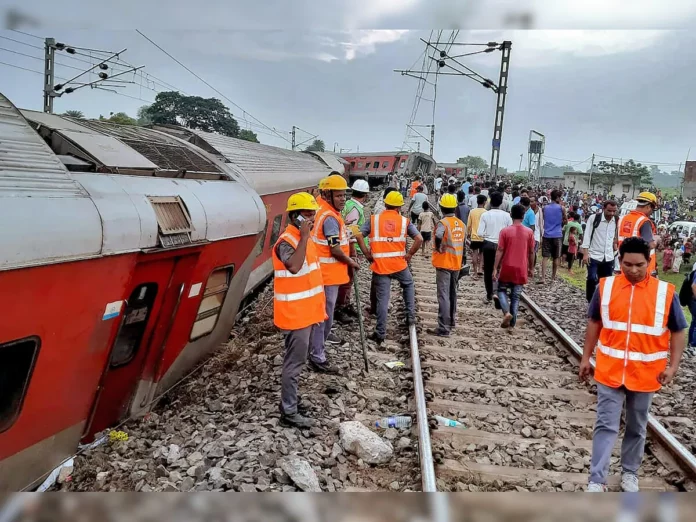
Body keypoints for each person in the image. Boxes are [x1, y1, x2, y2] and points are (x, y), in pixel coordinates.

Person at [580, 237, 686, 492]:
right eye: (628, 264)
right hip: (610, 371)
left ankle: (630, 472)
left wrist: (673, 366)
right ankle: (597, 479)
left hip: (646, 374)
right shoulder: (605, 288)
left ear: (649, 261)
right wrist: (586, 357)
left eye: (639, 265)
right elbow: (594, 322)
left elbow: (679, 330)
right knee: (605, 424)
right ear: (620, 261)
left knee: (637, 426)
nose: (634, 270)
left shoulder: (664, 293)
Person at [273, 192, 327, 428]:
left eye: (313, 213)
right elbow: (294, 267)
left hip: (306, 312)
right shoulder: (287, 241)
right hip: (294, 315)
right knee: (293, 364)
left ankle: (290, 402)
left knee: (297, 361)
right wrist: (304, 237)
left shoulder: (303, 238)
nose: (312, 218)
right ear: (295, 217)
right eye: (307, 214)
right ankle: (289, 412)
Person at [356, 191, 423, 344]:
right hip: (399, 265)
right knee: (408, 284)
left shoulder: (374, 220)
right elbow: (419, 239)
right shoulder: (404, 222)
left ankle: (380, 333)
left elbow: (359, 236)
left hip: (381, 266)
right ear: (399, 207)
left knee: (383, 300)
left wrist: (367, 253)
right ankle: (410, 316)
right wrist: (410, 254)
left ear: (385, 205)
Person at [310, 175, 360, 373]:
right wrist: (351, 262)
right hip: (327, 276)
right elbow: (334, 249)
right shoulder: (329, 217)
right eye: (338, 195)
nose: (343, 199)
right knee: (324, 316)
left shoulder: (324, 210)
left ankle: (317, 347)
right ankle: (317, 355)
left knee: (323, 315)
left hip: (325, 274)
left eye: (344, 195)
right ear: (327, 195)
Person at [429, 194, 466, 337]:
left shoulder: (442, 223)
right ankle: (451, 321)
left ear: (442, 207)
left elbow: (438, 235)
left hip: (444, 263)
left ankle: (443, 327)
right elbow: (463, 244)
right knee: (452, 293)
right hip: (456, 263)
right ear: (455, 208)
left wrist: (438, 247)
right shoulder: (461, 224)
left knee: (443, 295)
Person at [493, 204, 535, 330]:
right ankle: (512, 324)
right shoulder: (529, 232)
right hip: (521, 268)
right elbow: (532, 252)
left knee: (501, 290)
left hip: (507, 267)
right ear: (523, 217)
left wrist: (495, 268)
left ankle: (506, 313)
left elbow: (500, 250)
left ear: (511, 215)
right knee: (516, 297)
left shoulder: (505, 231)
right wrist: (531, 268)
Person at [335, 179, 370, 325]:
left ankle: (344, 304)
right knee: (347, 281)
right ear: (366, 195)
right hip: (352, 248)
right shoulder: (356, 208)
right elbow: (351, 232)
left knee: (347, 280)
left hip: (349, 247)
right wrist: (359, 252)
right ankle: (340, 307)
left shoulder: (349, 204)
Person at [478, 191, 513, 302]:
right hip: (502, 245)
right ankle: (499, 292)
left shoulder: (485, 214)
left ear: (490, 202)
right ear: (501, 202)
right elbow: (510, 232)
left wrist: (488, 235)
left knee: (488, 270)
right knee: (500, 269)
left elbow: (479, 233)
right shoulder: (507, 216)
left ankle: (489, 294)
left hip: (488, 244)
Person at [581, 201, 619, 302]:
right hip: (593, 255)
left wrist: (615, 245)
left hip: (608, 256)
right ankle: (590, 301)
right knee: (592, 278)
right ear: (603, 208)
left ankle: (601, 303)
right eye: (609, 211)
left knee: (605, 282)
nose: (611, 213)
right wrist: (585, 253)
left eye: (614, 211)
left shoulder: (616, 220)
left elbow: (615, 236)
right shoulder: (594, 218)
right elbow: (587, 235)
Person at [616, 192, 657, 275]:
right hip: (640, 268)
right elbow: (650, 245)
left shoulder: (622, 219)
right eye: (652, 210)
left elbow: (616, 241)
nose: (651, 213)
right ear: (648, 206)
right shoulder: (644, 221)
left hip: (625, 265)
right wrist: (656, 241)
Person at [541, 189, 565, 283]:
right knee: (556, 257)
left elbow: (543, 219)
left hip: (546, 234)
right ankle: (553, 278)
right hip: (557, 234)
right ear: (558, 197)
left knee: (545, 257)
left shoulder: (545, 208)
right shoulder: (561, 208)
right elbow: (565, 220)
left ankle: (543, 278)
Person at [467, 194, 487, 277]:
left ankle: (475, 272)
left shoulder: (472, 211)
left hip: (474, 236)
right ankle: (480, 269)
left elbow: (468, 225)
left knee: (474, 253)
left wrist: (468, 233)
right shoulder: (486, 212)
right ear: (485, 202)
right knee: (482, 254)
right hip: (483, 236)